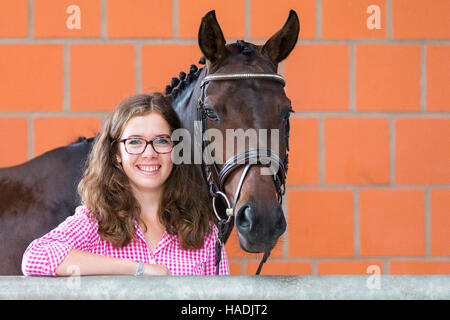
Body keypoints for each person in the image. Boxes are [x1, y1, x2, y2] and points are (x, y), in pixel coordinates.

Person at [22, 93, 230, 276]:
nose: (149, 153)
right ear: (116, 153)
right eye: (135, 142)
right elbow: (36, 257)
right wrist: (137, 268)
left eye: (161, 141)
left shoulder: (204, 232)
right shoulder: (95, 221)